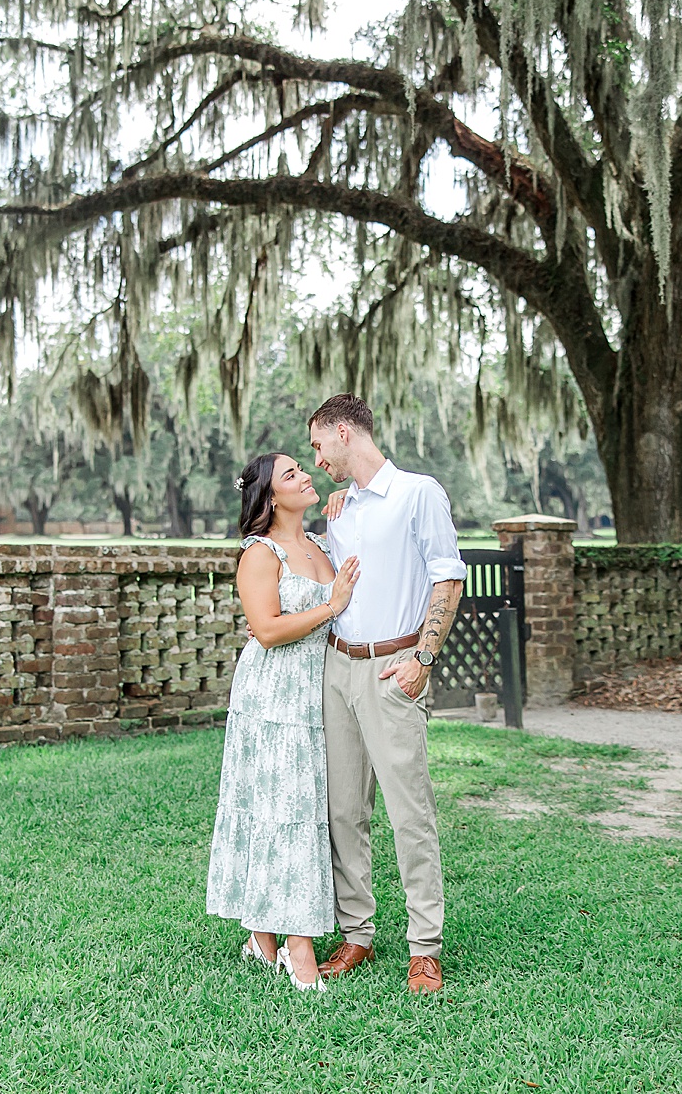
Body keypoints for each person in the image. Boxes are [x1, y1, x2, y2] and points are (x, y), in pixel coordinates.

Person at [308, 394, 466, 994]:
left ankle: (424, 946)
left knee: (409, 814)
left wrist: (423, 658)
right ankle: (357, 936)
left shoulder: (417, 492)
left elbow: (447, 574)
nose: (317, 459)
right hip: (338, 669)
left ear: (344, 433)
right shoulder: (339, 508)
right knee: (344, 811)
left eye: (320, 446)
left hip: (394, 669)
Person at [206, 452, 362, 991]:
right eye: (292, 474)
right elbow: (267, 630)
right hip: (273, 696)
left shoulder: (321, 543)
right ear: (272, 497)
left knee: (295, 809)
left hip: (318, 690)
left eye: (304, 468)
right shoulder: (259, 554)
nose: (307, 477)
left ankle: (261, 936)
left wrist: (348, 500)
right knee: (281, 809)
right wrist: (332, 605)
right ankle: (298, 945)